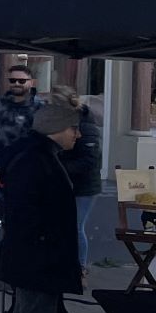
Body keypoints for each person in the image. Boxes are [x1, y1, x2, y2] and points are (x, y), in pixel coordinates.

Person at [1, 94, 85, 313]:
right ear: (55, 129)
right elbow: (30, 214)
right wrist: (53, 252)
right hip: (38, 259)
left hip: (34, 256)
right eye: (72, 129)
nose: (77, 135)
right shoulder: (36, 160)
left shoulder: (36, 156)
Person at [63, 99, 102, 272]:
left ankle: (80, 267)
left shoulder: (86, 128)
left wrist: (60, 167)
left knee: (76, 226)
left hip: (85, 187)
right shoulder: (65, 124)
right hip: (69, 183)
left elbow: (89, 161)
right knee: (67, 225)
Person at [0, 63, 41, 176]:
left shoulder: (40, 107)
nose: (16, 84)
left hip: (32, 166)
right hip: (4, 165)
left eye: (21, 81)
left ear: (31, 82)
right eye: (12, 80)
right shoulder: (0, 105)